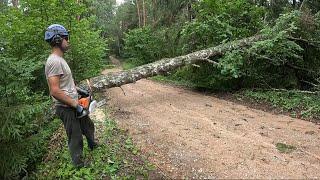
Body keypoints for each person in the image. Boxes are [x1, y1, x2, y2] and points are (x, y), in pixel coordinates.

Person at [44, 24, 97, 168]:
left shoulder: (60, 59)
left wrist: (80, 91)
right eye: (66, 38)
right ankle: (79, 165)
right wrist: (75, 106)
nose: (68, 40)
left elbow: (67, 84)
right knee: (75, 136)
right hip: (66, 107)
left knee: (88, 125)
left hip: (73, 103)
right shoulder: (54, 61)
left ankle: (93, 145)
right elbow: (55, 91)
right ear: (57, 40)